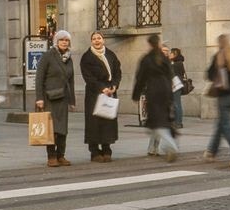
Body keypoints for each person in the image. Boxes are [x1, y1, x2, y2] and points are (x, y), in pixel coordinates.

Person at [132, 32, 178, 162]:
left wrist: (136, 94)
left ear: (149, 44)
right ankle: (155, 147)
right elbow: (170, 75)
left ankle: (170, 145)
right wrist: (170, 95)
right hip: (166, 91)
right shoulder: (164, 58)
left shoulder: (147, 59)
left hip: (153, 91)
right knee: (162, 120)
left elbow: (140, 78)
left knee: (156, 123)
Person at [33, 30, 76, 166]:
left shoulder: (69, 58)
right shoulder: (48, 56)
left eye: (67, 40)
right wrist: (39, 98)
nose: (64, 42)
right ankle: (51, 156)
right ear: (56, 41)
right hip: (49, 98)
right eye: (61, 40)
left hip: (63, 98)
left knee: (63, 129)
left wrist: (72, 100)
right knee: (51, 128)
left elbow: (71, 81)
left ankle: (61, 155)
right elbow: (39, 78)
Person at [204, 33, 230, 167]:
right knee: (221, 124)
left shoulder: (219, 56)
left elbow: (209, 75)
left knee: (227, 127)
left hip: (223, 96)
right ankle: (211, 152)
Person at [79, 31, 122, 163]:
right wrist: (101, 88)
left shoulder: (111, 54)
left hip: (110, 91)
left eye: (99, 38)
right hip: (94, 93)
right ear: (91, 41)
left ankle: (106, 149)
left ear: (103, 40)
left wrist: (114, 85)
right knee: (94, 123)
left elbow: (117, 72)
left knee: (108, 121)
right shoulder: (87, 57)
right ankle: (94, 151)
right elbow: (88, 77)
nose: (97, 41)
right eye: (94, 39)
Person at [169, 46, 189, 129]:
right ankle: (176, 121)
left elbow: (171, 72)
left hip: (176, 85)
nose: (169, 54)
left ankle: (178, 122)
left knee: (177, 104)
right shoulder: (178, 62)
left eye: (171, 53)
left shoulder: (177, 63)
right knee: (176, 103)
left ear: (175, 54)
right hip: (176, 85)